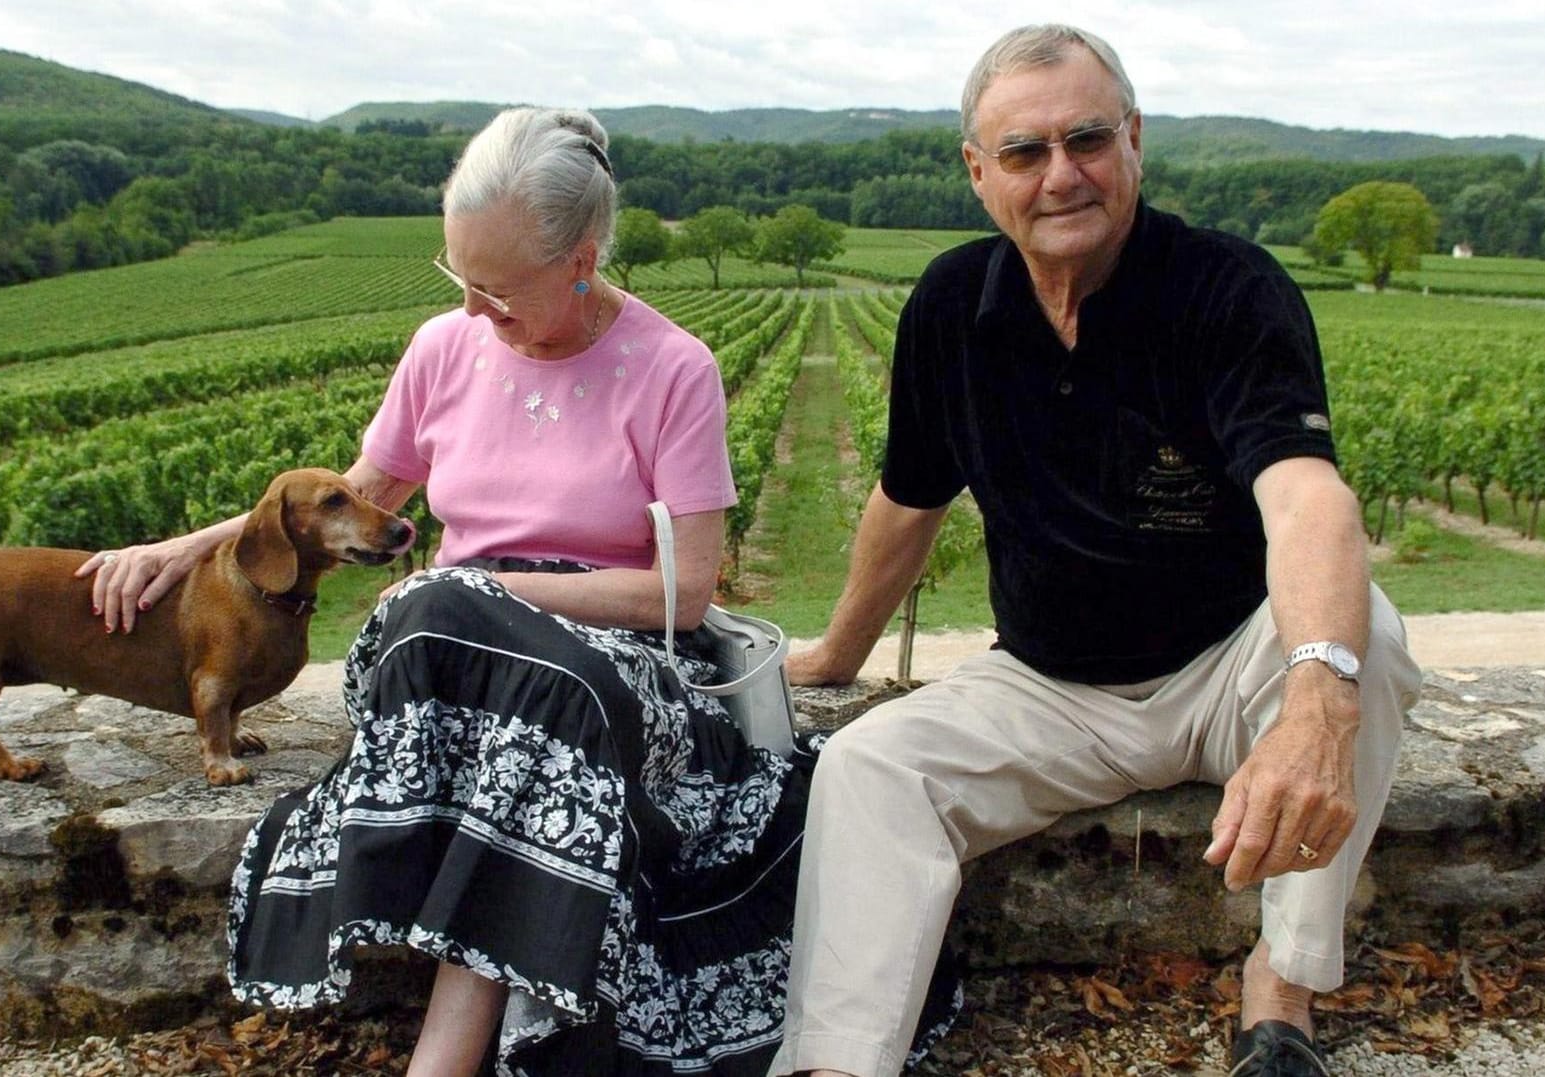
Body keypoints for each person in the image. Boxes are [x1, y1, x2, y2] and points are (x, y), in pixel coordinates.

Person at [81, 108, 929, 1076]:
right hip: (447, 656)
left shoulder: (672, 369)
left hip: (617, 664)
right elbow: (344, 502)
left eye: (495, 289)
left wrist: (496, 588)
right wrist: (182, 549)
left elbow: (686, 593)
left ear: (581, 258)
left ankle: (442, 1057)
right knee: (441, 626)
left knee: (527, 688)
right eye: (458, 278)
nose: (472, 311)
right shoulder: (441, 350)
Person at [767, 25, 1421, 1077]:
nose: (1060, 175)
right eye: (1023, 152)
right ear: (977, 174)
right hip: (1045, 686)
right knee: (863, 767)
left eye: (1086, 140)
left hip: (1223, 667)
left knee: (1366, 644)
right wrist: (836, 656)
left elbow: (1307, 501)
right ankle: (838, 1060)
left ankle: (1281, 988)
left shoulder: (1226, 290)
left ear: (1134, 141)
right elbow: (907, 498)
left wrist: (1312, 703)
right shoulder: (950, 305)